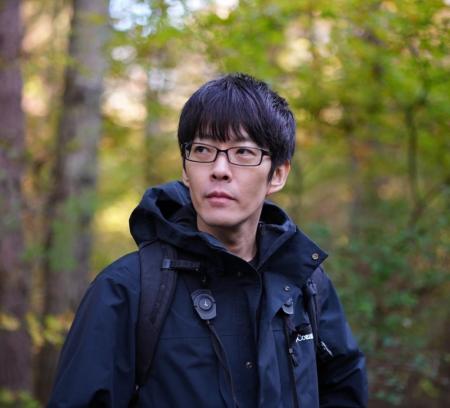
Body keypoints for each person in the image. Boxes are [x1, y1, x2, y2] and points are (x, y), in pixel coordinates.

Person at [48, 73, 368, 407]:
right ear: (186, 170)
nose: (219, 169)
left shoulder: (305, 284)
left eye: (243, 152)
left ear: (277, 174)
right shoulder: (126, 289)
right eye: (202, 149)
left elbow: (343, 388)